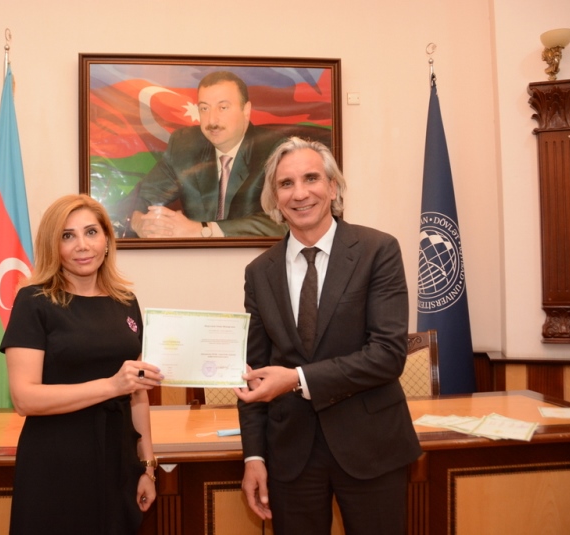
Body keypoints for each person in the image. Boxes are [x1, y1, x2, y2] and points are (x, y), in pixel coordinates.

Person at [235, 137, 422, 535]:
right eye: (286, 184)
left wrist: (297, 379)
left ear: (333, 187)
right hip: (290, 454)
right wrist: (254, 457)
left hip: (371, 446)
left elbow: (388, 355)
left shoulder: (377, 250)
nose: (300, 193)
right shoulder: (259, 272)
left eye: (311, 178)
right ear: (275, 198)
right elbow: (250, 371)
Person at [0, 194, 163, 534]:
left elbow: (138, 392)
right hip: (56, 460)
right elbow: (24, 398)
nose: (82, 245)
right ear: (53, 246)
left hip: (118, 458)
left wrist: (147, 465)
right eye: (67, 236)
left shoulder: (126, 301)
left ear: (106, 239)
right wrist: (111, 386)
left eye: (91, 232)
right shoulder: (33, 301)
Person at [128, 70, 287, 238]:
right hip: (196, 254)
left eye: (223, 108)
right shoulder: (185, 145)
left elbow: (284, 222)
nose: (212, 120)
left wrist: (203, 230)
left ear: (246, 110)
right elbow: (143, 196)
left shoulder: (276, 150)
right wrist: (138, 222)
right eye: (204, 108)